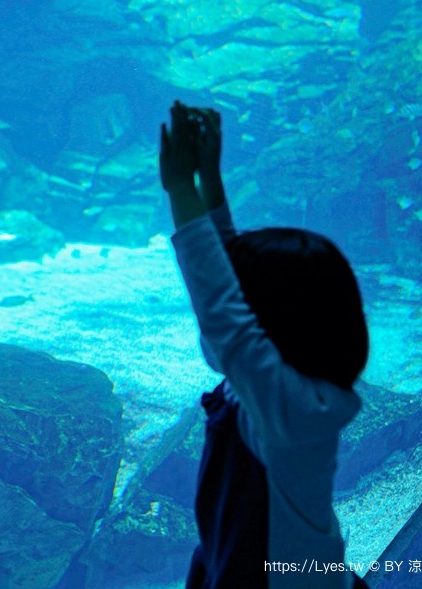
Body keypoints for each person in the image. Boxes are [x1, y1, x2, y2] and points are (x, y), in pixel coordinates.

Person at [159, 100, 371, 588]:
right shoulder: (280, 388)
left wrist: (180, 190)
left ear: (266, 327)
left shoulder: (294, 409)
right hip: (244, 561)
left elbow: (222, 309)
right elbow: (234, 297)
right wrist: (209, 178)